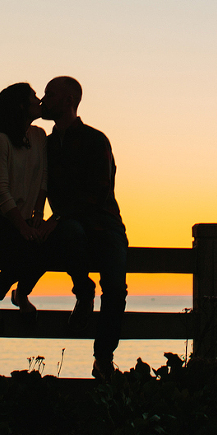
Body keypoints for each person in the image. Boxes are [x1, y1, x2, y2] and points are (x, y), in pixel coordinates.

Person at [35, 76, 128, 379]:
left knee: (115, 288)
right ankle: (83, 291)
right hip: (69, 226)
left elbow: (100, 190)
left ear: (69, 100)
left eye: (50, 94)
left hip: (104, 223)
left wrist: (58, 217)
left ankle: (103, 358)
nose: (43, 99)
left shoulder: (94, 139)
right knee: (70, 235)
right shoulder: (44, 145)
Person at [0, 82, 48, 323]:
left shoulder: (38, 136)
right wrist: (23, 228)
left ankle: (21, 294)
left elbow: (43, 179)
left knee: (48, 248)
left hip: (22, 219)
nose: (40, 100)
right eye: (34, 97)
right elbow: (1, 191)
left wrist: (37, 214)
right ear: (21, 105)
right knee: (24, 251)